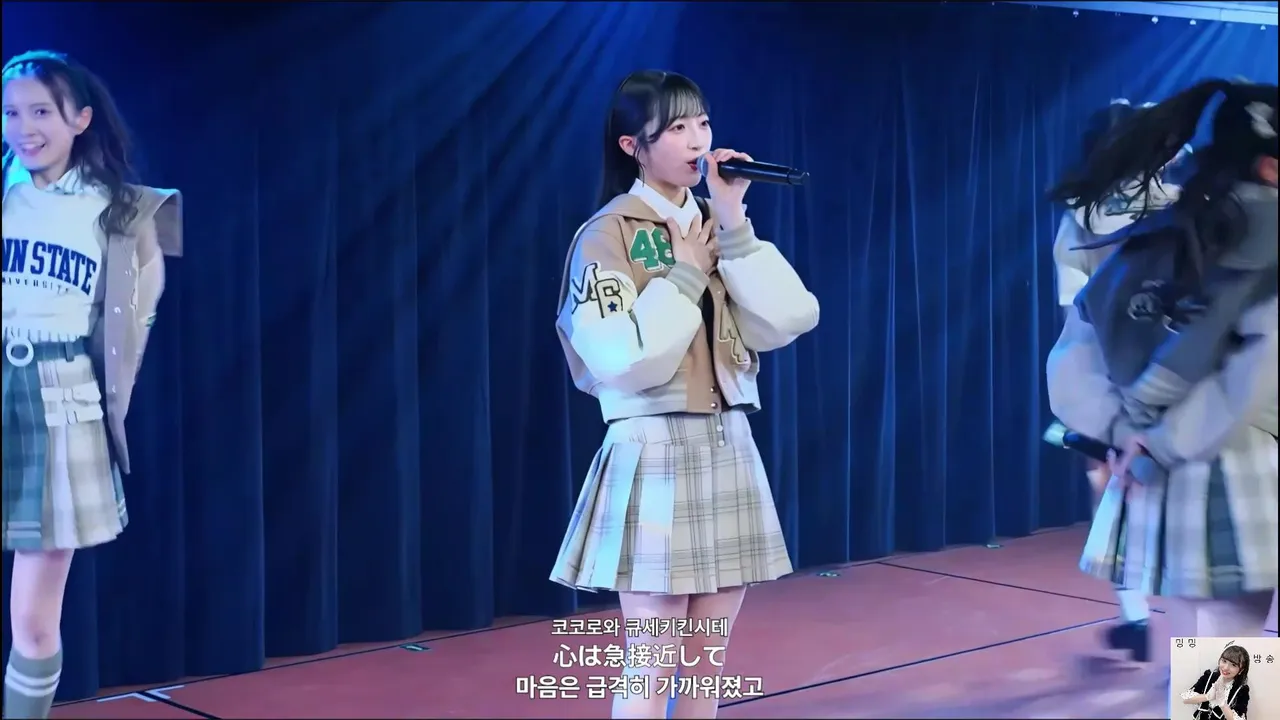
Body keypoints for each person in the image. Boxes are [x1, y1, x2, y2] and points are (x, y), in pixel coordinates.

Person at [550, 69, 819, 719]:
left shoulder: (713, 224)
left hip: (728, 440)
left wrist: (734, 219)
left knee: (706, 663)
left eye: (702, 123)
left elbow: (789, 319)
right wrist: (683, 276)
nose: (698, 140)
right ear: (632, 147)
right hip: (654, 445)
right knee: (652, 660)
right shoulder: (607, 234)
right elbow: (623, 360)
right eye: (676, 128)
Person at [1045, 78, 1277, 653]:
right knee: (1230, 649)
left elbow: (1076, 352)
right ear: (1270, 167)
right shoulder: (1263, 244)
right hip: (1232, 456)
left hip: (1160, 458)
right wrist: (1165, 439)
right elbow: (1259, 367)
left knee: (1204, 641)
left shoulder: (1152, 237)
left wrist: (1127, 430)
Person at [2, 50, 183, 719]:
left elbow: (138, 317)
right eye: (11, 112)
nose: (23, 127)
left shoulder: (124, 210)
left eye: (40, 111)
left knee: (34, 618)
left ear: (80, 118)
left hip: (61, 397)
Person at [1051, 98, 1191, 663]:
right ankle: (1214, 695)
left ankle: (1136, 616)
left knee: (1114, 486)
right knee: (1211, 583)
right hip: (1192, 392)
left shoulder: (1079, 219)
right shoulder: (1191, 208)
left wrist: (1108, 413)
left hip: (1118, 389)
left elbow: (1077, 321)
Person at [1179, 643, 1251, 719]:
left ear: (1241, 670)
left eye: (1233, 665)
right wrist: (1207, 696)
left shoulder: (1242, 690)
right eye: (1224, 661)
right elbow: (1185, 700)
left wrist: (1222, 703)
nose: (1226, 668)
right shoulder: (1209, 677)